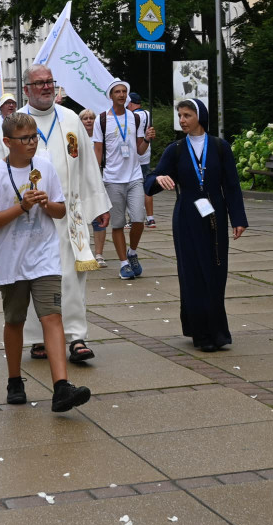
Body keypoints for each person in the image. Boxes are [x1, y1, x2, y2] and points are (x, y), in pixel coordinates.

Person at [0, 65, 111, 362]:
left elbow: (86, 167)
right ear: (27, 89)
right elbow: (0, 169)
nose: (46, 87)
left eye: (49, 82)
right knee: (31, 278)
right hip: (29, 219)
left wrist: (98, 206)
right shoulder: (14, 123)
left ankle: (76, 337)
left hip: (67, 216)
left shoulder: (70, 118)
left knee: (71, 279)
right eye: (39, 83)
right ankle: (37, 339)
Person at [0, 112, 92, 412]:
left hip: (44, 257)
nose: (31, 143)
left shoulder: (44, 167)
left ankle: (61, 387)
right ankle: (14, 380)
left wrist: (47, 203)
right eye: (24, 139)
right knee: (14, 321)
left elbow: (60, 211)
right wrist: (21, 206)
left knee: (52, 316)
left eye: (34, 137)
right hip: (12, 260)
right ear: (7, 142)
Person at [145, 99, 248, 352]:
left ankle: (218, 332)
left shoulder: (220, 147)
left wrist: (238, 219)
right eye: (180, 115)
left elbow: (232, 185)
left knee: (215, 271)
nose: (182, 120)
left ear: (200, 116)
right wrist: (159, 178)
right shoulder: (176, 149)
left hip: (215, 215)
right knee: (191, 274)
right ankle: (200, 333)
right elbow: (149, 181)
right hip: (187, 217)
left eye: (187, 115)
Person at [93, 79, 149, 280]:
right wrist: (96, 176)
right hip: (112, 178)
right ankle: (124, 264)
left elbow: (140, 150)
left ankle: (132, 252)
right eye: (117, 91)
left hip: (134, 176)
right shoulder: (102, 120)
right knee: (117, 223)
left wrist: (148, 139)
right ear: (111, 96)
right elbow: (98, 150)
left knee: (138, 220)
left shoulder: (134, 118)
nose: (122, 95)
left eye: (124, 91)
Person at [80, 108, 108, 267]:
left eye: (91, 118)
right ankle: (84, 251)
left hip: (98, 181)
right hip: (82, 182)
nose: (89, 121)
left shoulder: (100, 139)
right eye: (85, 118)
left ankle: (99, 254)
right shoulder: (76, 138)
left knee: (99, 217)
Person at [127, 92, 157, 229]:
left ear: (131, 103)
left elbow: (135, 136)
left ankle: (133, 219)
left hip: (135, 155)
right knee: (146, 187)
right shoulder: (147, 113)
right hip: (146, 154)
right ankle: (150, 218)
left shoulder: (133, 116)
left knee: (131, 188)